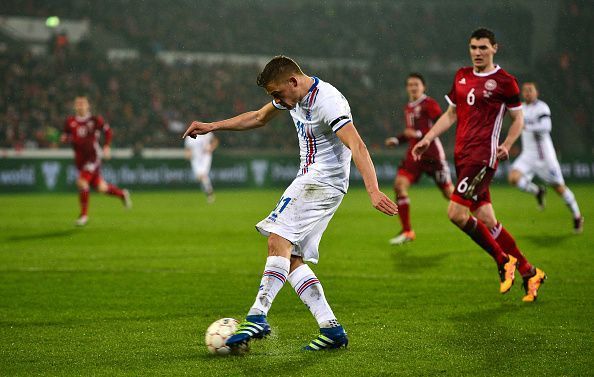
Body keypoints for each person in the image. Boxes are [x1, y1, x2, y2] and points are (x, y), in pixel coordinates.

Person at [183, 56, 397, 351]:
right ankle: (331, 329)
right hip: (316, 182)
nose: (276, 100)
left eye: (277, 94)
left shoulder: (328, 101)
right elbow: (258, 117)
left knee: (277, 237)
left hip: (320, 182)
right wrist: (212, 126)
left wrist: (373, 190)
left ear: (293, 81)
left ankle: (257, 315)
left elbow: (357, 144)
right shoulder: (293, 97)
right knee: (291, 257)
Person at [412, 28, 546, 302]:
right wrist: (428, 138)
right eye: (473, 47)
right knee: (487, 220)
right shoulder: (461, 76)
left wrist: (507, 145)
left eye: (483, 47)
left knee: (456, 213)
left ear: (495, 48)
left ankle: (502, 259)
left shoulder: (505, 81)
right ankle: (530, 271)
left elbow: (518, 119)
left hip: (482, 158)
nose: (477, 52)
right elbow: (451, 115)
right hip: (462, 157)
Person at [385, 73, 453, 245]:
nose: (413, 87)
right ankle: (408, 231)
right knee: (399, 186)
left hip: (432, 155)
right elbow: (411, 132)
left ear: (424, 87)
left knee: (449, 194)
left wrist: (419, 134)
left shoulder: (429, 104)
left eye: (416, 84)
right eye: (410, 84)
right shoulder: (408, 107)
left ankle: (478, 215)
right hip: (414, 155)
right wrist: (398, 139)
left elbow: (439, 124)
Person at [508, 82, 584, 233]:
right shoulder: (521, 108)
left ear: (537, 92)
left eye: (530, 90)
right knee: (513, 178)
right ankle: (538, 192)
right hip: (528, 155)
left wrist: (526, 126)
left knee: (559, 188)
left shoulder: (542, 107)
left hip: (545, 157)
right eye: (525, 91)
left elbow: (546, 127)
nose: (527, 93)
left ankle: (577, 215)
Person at [61, 96, 131, 226]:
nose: (80, 106)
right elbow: (66, 136)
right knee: (101, 188)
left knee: (82, 183)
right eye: (78, 103)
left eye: (83, 103)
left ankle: (83, 215)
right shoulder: (70, 122)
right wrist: (64, 138)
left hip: (93, 158)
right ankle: (122, 194)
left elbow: (108, 131)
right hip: (80, 161)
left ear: (88, 106)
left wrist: (106, 146)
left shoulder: (95, 120)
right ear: (74, 106)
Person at [184, 133, 219, 203]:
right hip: (195, 159)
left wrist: (211, 148)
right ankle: (208, 192)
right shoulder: (189, 137)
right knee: (199, 178)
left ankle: (210, 194)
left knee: (202, 175)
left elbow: (215, 140)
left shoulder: (206, 133)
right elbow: (187, 149)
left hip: (205, 156)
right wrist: (188, 154)